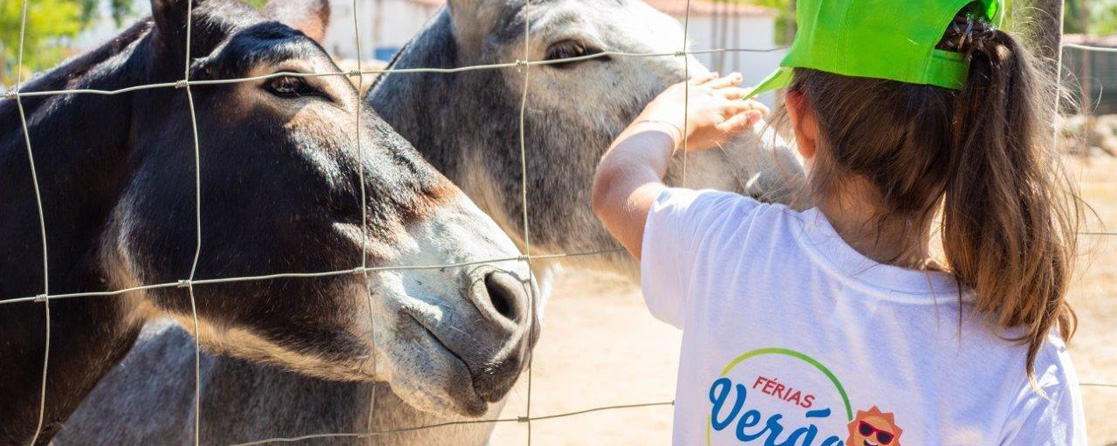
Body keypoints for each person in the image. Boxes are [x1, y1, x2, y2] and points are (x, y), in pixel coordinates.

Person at [590, 0, 1087, 444]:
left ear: (802, 122)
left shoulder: (725, 246)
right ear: (972, 129)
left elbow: (617, 188)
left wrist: (671, 114)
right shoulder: (1024, 368)